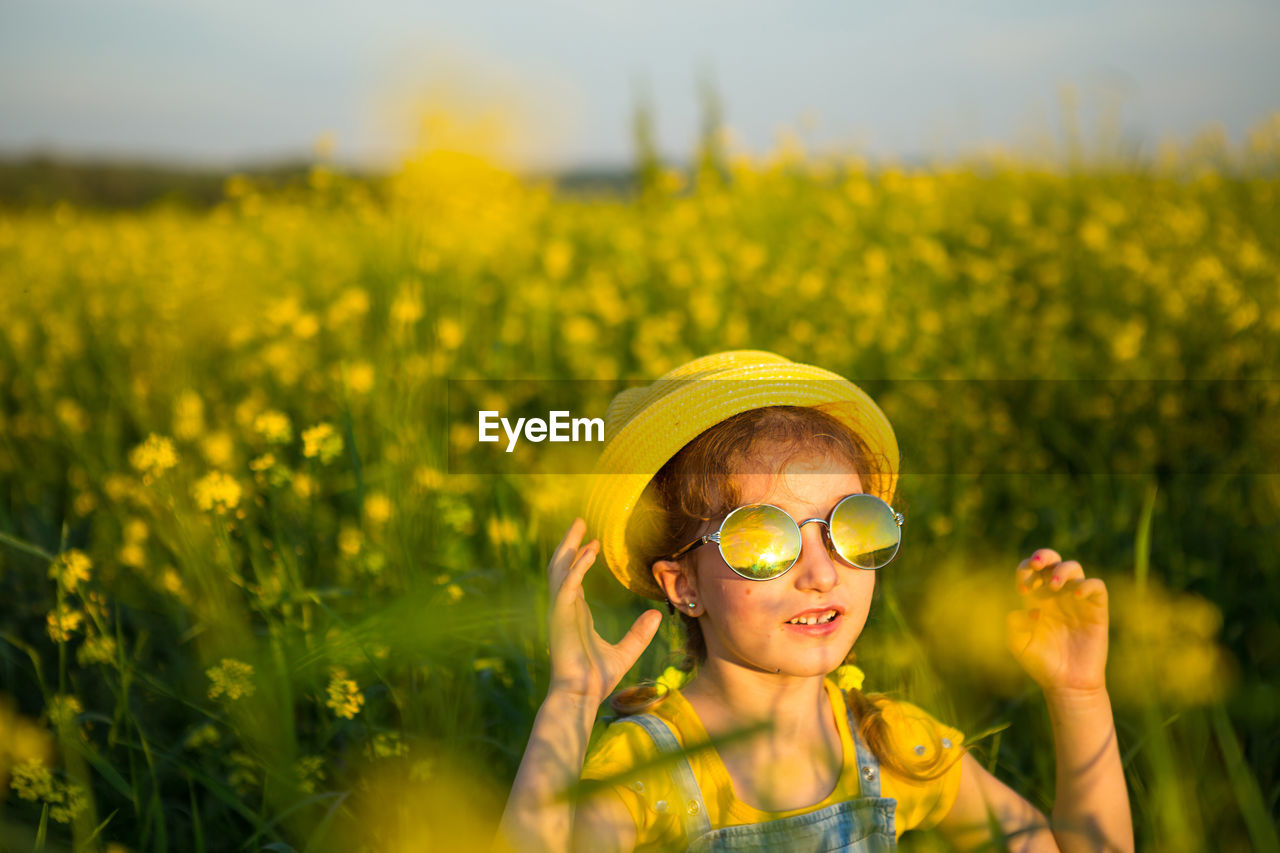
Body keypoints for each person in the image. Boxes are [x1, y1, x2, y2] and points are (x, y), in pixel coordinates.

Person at [497, 350, 1133, 852]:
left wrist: (1078, 694)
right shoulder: (649, 773)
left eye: (853, 525)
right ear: (683, 586)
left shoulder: (891, 745)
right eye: (762, 540)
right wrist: (572, 702)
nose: (822, 573)